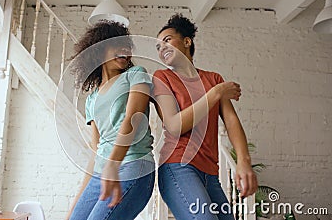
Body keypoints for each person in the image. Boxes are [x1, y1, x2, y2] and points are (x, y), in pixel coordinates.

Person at [152, 14, 258, 220]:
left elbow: (231, 121)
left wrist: (244, 162)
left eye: (166, 41)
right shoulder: (163, 77)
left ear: (186, 41)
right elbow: (174, 125)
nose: (161, 48)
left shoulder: (213, 79)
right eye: (157, 47)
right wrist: (215, 93)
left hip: (211, 174)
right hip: (178, 167)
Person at [66, 21, 155, 220]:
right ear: (99, 50)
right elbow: (97, 150)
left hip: (133, 164)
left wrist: (113, 164)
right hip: (102, 172)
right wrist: (74, 206)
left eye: (127, 46)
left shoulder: (136, 75)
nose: (125, 49)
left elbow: (132, 120)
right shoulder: (91, 99)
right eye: (117, 44)